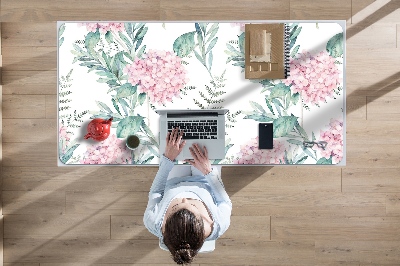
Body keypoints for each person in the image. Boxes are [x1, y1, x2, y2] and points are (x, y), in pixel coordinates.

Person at [144, 127, 232, 264]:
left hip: (173, 181)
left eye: (176, 206)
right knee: (208, 139)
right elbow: (224, 202)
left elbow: (156, 192)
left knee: (172, 143)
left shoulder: (153, 222)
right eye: (192, 205)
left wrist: (168, 159)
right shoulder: (220, 224)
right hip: (205, 180)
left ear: (165, 224)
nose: (184, 198)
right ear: (204, 222)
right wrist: (208, 171)